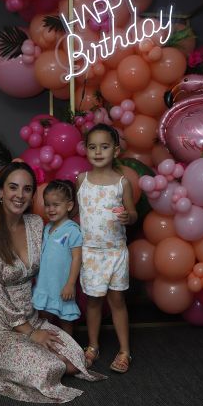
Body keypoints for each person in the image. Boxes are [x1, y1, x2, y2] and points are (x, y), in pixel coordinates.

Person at [0, 161, 105, 403]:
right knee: (51, 367)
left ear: (32, 195)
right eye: (13, 187)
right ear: (0, 192)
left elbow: (60, 254)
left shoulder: (35, 224)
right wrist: (30, 333)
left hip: (31, 317)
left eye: (27, 189)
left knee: (75, 360)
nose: (20, 195)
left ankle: (19, 357)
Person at [76, 124, 138, 374]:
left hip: (115, 252)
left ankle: (124, 351)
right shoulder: (82, 180)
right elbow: (76, 212)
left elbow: (133, 212)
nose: (98, 152)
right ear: (86, 150)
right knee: (93, 301)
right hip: (91, 252)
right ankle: (93, 345)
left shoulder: (122, 183)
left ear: (116, 150)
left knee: (117, 300)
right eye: (92, 147)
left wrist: (128, 217)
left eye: (104, 147)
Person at [32, 179, 82, 336]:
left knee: (66, 318)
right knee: (44, 319)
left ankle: (70, 347)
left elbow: (77, 259)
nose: (51, 209)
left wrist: (70, 284)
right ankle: (45, 347)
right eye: (47, 205)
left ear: (69, 205)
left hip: (62, 285)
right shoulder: (47, 228)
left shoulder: (72, 230)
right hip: (45, 284)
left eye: (56, 205)